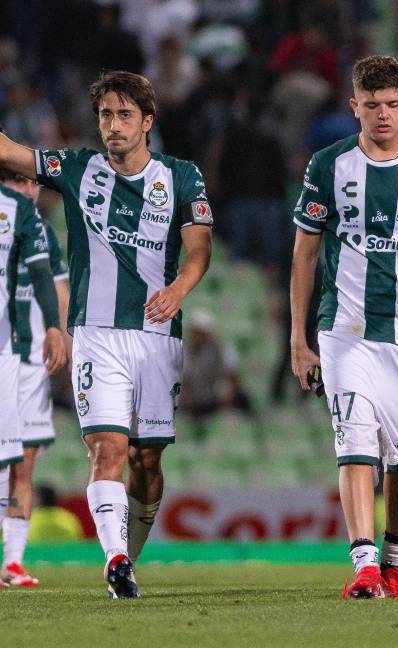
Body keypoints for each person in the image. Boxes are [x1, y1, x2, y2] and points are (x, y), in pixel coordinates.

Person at [0, 70, 213, 598]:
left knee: (147, 460)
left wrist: (179, 290)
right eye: (105, 115)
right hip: (95, 334)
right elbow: (12, 155)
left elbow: (199, 248)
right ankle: (117, 561)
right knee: (107, 449)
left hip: (157, 334)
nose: (113, 125)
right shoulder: (77, 167)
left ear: (147, 121)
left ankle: (128, 554)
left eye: (123, 115)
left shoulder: (181, 175)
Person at [289, 56, 398, 599]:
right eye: (372, 106)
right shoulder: (328, 165)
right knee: (355, 443)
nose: (383, 115)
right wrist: (299, 339)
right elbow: (304, 255)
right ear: (355, 107)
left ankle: (394, 562)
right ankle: (365, 565)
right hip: (345, 329)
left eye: (392, 104)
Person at [0, 167, 69, 587]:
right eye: (21, 182)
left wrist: (61, 337)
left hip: (31, 365)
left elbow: (56, 287)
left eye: (34, 183)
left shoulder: (40, 231)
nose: (30, 189)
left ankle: (13, 561)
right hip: (4, 355)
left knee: (23, 465)